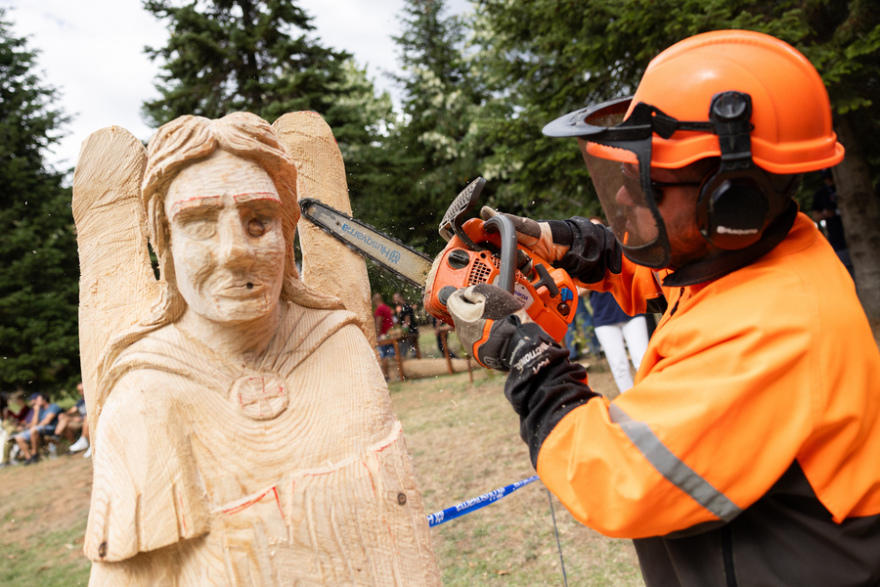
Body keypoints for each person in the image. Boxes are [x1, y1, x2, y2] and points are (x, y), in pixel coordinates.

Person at [446, 30, 880, 585]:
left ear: (731, 200)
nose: (625, 197)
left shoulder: (775, 327)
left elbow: (614, 476)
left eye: (644, 181)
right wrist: (563, 243)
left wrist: (529, 356)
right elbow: (663, 275)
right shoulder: (758, 249)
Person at [83, 113, 439, 584]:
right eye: (201, 224)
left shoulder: (341, 348)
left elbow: (397, 532)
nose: (236, 251)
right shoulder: (145, 398)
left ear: (289, 229)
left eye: (259, 221)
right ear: (164, 240)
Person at [590, 290, 648, 394]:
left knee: (643, 361)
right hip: (603, 315)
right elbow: (580, 291)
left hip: (632, 309)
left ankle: (652, 397)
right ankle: (630, 404)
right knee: (619, 367)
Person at [811, 168, 855, 279]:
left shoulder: (849, 187)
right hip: (838, 238)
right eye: (825, 178)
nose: (829, 180)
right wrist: (826, 213)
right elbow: (815, 216)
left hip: (858, 232)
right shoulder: (821, 194)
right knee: (847, 271)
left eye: (830, 177)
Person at [12, 392, 62, 465]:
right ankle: (29, 458)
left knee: (34, 429)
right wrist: (36, 411)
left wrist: (35, 426)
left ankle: (35, 454)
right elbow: (33, 424)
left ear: (44, 400)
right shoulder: (39, 410)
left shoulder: (53, 407)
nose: (36, 402)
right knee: (18, 437)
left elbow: (47, 421)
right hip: (38, 429)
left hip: (51, 428)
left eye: (38, 400)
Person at [55, 382, 90, 455]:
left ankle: (57, 436)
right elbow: (72, 410)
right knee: (65, 422)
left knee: (86, 417)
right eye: (80, 391)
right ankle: (58, 437)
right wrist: (64, 414)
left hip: (88, 419)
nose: (81, 392)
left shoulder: (90, 398)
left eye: (82, 390)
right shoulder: (80, 401)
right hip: (81, 421)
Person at [373, 292, 396, 377]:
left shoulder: (379, 309)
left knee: (384, 356)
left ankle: (386, 376)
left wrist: (377, 334)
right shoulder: (387, 307)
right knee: (393, 354)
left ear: (375, 300)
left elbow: (378, 322)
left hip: (383, 335)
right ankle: (400, 373)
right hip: (390, 333)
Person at [392, 292, 419, 358]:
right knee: (414, 352)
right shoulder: (402, 307)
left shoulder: (405, 307)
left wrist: (402, 331)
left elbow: (407, 321)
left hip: (410, 333)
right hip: (410, 332)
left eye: (395, 299)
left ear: (400, 298)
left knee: (402, 352)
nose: (394, 301)